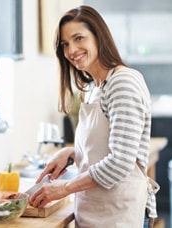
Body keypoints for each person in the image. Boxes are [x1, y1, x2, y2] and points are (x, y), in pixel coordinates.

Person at [29, 5, 159, 228]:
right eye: (65, 44)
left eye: (79, 38)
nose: (71, 50)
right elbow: (101, 148)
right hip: (94, 214)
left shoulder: (122, 83)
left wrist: (64, 189)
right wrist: (71, 153)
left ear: (99, 37)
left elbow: (120, 162)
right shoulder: (93, 88)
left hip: (120, 216)